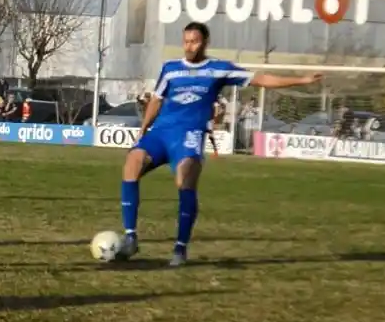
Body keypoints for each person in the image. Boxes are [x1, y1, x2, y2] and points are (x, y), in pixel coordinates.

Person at [118, 22, 323, 267]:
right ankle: (130, 238)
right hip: (161, 133)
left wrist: (301, 80)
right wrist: (143, 130)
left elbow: (261, 79)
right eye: (185, 41)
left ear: (204, 42)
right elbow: (157, 99)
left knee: (185, 180)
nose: (189, 46)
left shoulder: (219, 69)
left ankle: (180, 248)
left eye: (194, 41)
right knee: (132, 163)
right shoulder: (170, 69)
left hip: (189, 135)